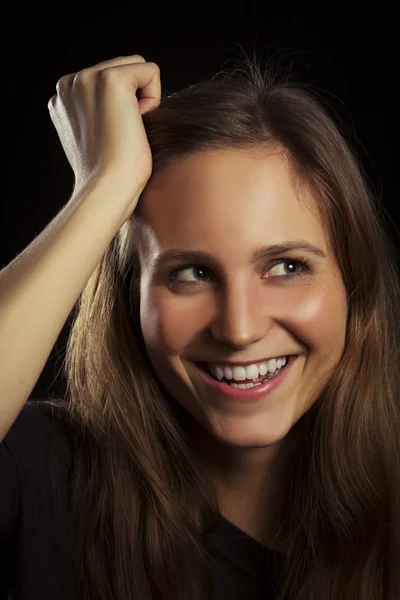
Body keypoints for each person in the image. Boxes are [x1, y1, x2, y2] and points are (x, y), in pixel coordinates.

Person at [0, 54, 398, 600]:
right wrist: (101, 189)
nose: (239, 329)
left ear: (354, 282)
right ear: (130, 296)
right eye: (192, 273)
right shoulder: (40, 474)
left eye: (286, 266)